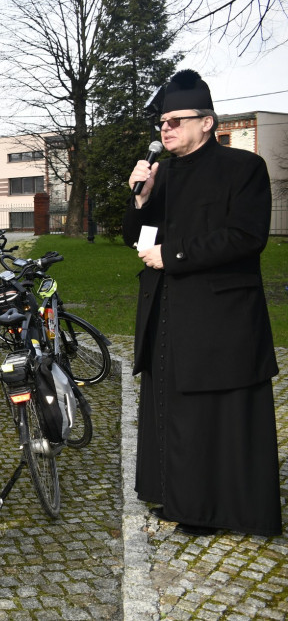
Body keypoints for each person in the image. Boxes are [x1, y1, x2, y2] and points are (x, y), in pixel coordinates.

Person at [122, 69, 281, 537]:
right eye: (162, 123)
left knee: (211, 415)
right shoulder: (163, 174)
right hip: (165, 313)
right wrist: (141, 201)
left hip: (219, 320)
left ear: (206, 122)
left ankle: (216, 509)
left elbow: (247, 237)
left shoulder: (243, 168)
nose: (165, 129)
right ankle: (177, 498)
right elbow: (137, 238)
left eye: (175, 120)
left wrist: (172, 255)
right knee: (169, 409)